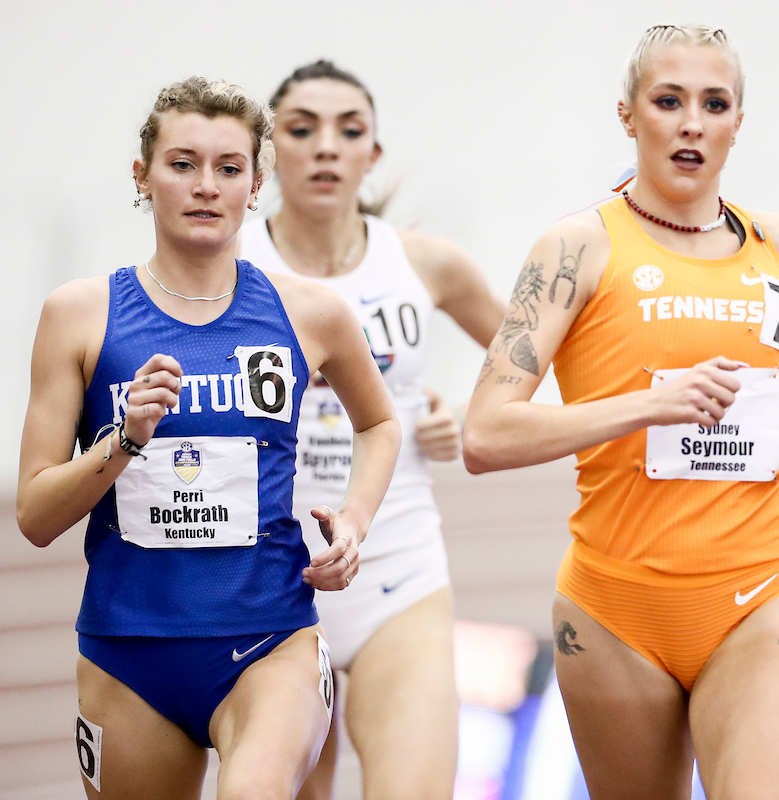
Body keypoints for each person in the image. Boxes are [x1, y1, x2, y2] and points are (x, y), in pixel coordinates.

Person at [463, 24, 779, 800]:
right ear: (629, 115)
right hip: (615, 610)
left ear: (738, 122)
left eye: (714, 102)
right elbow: (485, 434)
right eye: (669, 100)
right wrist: (647, 405)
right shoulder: (576, 249)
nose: (691, 121)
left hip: (761, 596)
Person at [16, 76, 401, 800]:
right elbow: (35, 517)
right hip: (128, 656)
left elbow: (379, 422)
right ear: (143, 177)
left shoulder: (310, 312)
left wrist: (354, 520)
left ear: (256, 186)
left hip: (271, 641)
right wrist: (123, 441)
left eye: (229, 168)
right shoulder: (79, 316)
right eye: (183, 164)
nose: (206, 186)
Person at [237, 59, 504, 800]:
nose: (326, 146)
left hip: (398, 569)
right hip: (272, 580)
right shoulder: (232, 266)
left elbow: (533, 357)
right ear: (269, 152)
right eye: (302, 129)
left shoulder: (424, 263)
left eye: (348, 131)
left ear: (371, 155)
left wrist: (463, 411)